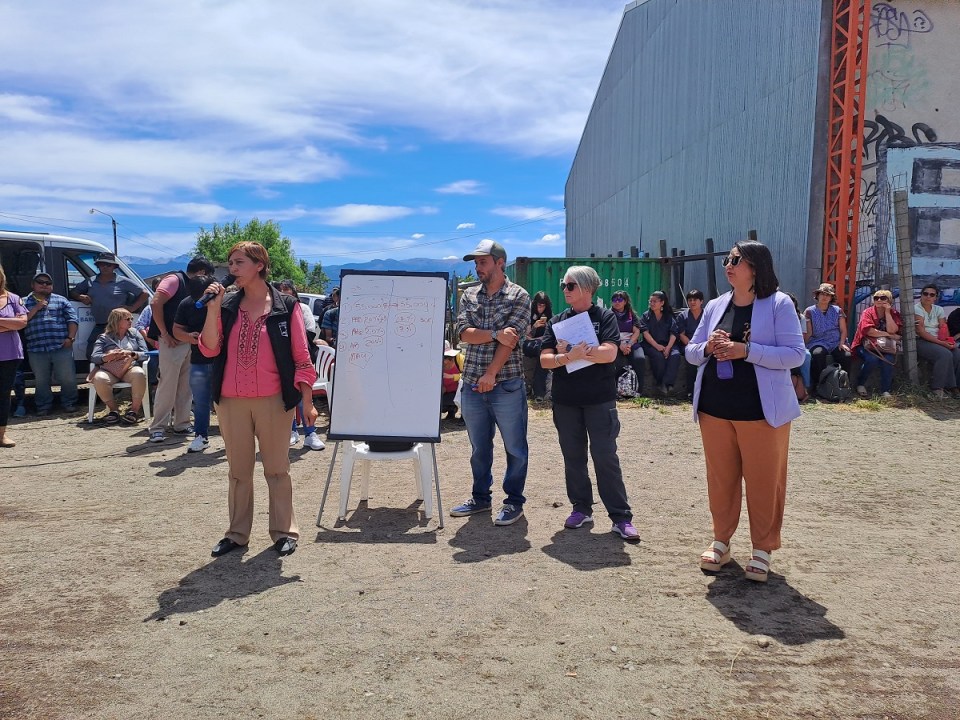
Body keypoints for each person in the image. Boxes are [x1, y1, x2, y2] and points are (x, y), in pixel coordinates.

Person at [685, 241, 805, 582]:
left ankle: (762, 549)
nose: (729, 264)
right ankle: (721, 541)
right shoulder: (715, 305)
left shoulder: (779, 303)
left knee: (764, 481)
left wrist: (746, 350)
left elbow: (795, 354)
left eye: (736, 259)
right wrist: (708, 347)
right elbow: (691, 352)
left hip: (761, 412)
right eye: (728, 258)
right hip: (714, 408)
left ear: (756, 266)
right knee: (720, 480)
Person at [200, 241, 317, 558]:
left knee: (277, 469)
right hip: (230, 401)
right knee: (238, 472)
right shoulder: (226, 306)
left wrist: (307, 402)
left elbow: (302, 358)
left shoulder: (286, 306)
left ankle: (284, 531)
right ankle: (237, 534)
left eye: (238, 262)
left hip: (274, 401)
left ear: (259, 265)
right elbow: (209, 349)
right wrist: (212, 309)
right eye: (230, 263)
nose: (232, 269)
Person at [540, 266, 639, 541]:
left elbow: (610, 353)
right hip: (566, 401)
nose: (565, 290)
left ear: (586, 288)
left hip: (599, 400)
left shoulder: (605, 317)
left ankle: (620, 517)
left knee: (605, 457)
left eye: (570, 285)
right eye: (564, 285)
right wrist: (567, 357)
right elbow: (545, 360)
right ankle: (581, 508)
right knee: (573, 458)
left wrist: (577, 352)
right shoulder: (557, 321)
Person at [450, 239, 530, 526]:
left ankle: (514, 502)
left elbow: (512, 339)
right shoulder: (470, 295)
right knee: (479, 448)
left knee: (515, 447)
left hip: (506, 383)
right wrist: (496, 333)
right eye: (476, 263)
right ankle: (481, 498)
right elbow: (463, 333)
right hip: (473, 383)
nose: (478, 267)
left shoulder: (519, 295)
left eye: (482, 262)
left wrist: (491, 373)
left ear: (500, 262)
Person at [146, 257, 215, 443]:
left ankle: (182, 423)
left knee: (186, 385)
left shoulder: (194, 287)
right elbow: (155, 302)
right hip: (171, 341)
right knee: (167, 384)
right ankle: (158, 427)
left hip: (189, 341)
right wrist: (164, 333)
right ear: (202, 272)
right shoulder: (175, 279)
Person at [71, 252, 148, 360]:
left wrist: (132, 308)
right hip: (100, 325)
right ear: (97, 266)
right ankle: (102, 369)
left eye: (108, 265)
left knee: (119, 353)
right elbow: (73, 292)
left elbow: (144, 294)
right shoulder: (90, 281)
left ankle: (120, 369)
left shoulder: (123, 281)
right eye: (102, 264)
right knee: (91, 354)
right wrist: (80, 297)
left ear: (114, 267)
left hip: (119, 326)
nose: (105, 267)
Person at [23, 272, 80, 415]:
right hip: (36, 348)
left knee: (67, 378)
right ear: (32, 285)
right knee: (41, 380)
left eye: (48, 283)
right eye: (40, 282)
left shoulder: (61, 300)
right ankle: (43, 407)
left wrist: (70, 338)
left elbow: (73, 320)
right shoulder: (23, 302)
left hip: (61, 346)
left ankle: (69, 403)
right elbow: (21, 321)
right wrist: (36, 308)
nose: (44, 285)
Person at [277, 280, 324, 450]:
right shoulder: (273, 310)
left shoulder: (302, 308)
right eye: (280, 290)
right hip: (281, 361)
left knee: (304, 397)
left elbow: (309, 333)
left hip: (301, 359)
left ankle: (310, 433)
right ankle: (291, 431)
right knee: (286, 397)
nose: (284, 293)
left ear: (293, 292)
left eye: (287, 289)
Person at [172, 274, 217, 453]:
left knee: (227, 402)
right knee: (200, 400)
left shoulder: (225, 302)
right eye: (197, 297)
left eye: (205, 296)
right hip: (198, 360)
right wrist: (188, 337)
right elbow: (177, 329)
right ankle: (201, 436)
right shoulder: (186, 304)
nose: (201, 301)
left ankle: (233, 437)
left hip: (223, 361)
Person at [90, 308, 150, 425]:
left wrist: (131, 353)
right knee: (99, 378)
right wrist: (108, 356)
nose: (131, 321)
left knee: (139, 374)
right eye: (127, 319)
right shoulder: (104, 337)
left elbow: (145, 353)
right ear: (117, 321)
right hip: (110, 370)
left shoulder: (135, 334)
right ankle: (114, 411)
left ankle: (134, 411)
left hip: (130, 367)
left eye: (131, 318)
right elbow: (94, 357)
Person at [850, 290, 901, 398]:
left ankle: (885, 390)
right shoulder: (867, 312)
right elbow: (869, 331)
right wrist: (889, 335)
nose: (879, 300)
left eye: (883, 298)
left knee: (888, 359)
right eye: (876, 298)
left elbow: (893, 330)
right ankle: (860, 384)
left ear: (889, 300)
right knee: (872, 359)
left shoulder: (894, 313)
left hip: (885, 347)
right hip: (865, 345)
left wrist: (887, 313)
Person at [803, 283, 852, 396]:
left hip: (835, 341)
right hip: (818, 341)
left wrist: (842, 343)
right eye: (822, 294)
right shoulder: (809, 311)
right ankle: (819, 385)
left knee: (846, 355)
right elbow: (809, 332)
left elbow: (843, 330)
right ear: (817, 295)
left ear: (831, 297)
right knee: (817, 354)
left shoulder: (837, 310)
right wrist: (803, 344)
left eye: (828, 295)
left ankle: (844, 385)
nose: (824, 297)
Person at [914, 285, 960, 399]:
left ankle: (953, 387)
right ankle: (937, 388)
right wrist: (942, 344)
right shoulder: (916, 309)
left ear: (936, 297)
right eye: (925, 294)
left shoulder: (938, 309)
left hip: (938, 340)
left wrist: (948, 341)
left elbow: (943, 327)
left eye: (932, 295)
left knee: (956, 353)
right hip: (921, 341)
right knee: (944, 354)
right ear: (921, 295)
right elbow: (921, 332)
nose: (928, 297)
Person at [0, 266, 28, 447]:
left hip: (9, 354)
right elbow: (15, 323)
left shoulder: (13, 299)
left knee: (3, 395)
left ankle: (1, 435)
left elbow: (22, 322)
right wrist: (9, 324)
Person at [638, 290, 681, 394]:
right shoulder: (646, 316)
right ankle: (660, 382)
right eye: (650, 301)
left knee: (675, 355)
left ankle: (667, 383)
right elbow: (645, 333)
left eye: (655, 301)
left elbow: (674, 333)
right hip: (650, 344)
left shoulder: (668, 316)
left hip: (668, 344)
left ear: (662, 303)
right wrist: (657, 346)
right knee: (658, 356)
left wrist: (668, 348)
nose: (652, 303)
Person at [609, 290, 646, 394]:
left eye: (620, 300)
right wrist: (620, 344)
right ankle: (615, 390)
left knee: (640, 359)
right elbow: (609, 332)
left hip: (631, 342)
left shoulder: (631, 314)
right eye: (614, 300)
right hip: (615, 342)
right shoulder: (608, 315)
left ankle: (638, 390)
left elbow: (636, 331)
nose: (617, 302)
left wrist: (629, 344)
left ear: (625, 301)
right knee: (614, 360)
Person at [522, 291, 552, 400]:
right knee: (543, 349)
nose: (541, 308)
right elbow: (526, 336)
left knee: (543, 353)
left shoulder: (549, 316)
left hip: (541, 345)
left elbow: (550, 336)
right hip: (529, 345)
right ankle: (539, 391)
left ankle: (539, 392)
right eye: (539, 305)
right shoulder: (528, 315)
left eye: (543, 306)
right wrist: (534, 326)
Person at [676, 289, 705, 399]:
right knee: (692, 360)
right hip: (688, 345)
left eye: (695, 300)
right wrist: (693, 346)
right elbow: (681, 335)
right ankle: (691, 392)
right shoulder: (683, 316)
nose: (692, 302)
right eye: (690, 300)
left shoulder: (707, 315)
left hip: (705, 345)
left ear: (701, 301)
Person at [441, 341, 463, 422]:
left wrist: (452, 376)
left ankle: (464, 417)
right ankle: (451, 411)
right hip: (444, 393)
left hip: (459, 393)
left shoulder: (460, 359)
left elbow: (468, 375)